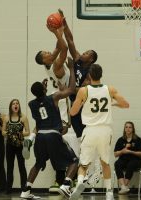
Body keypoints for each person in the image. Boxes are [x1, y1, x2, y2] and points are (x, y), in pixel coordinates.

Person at [20, 57, 78, 199]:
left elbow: (39, 94)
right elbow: (71, 90)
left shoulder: (31, 104)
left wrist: (42, 88)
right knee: (74, 161)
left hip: (40, 136)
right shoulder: (53, 97)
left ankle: (26, 191)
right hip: (53, 134)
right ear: (45, 89)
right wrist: (71, 68)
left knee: (38, 163)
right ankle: (65, 185)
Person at [70, 64, 129, 200]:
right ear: (101, 75)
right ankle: (109, 192)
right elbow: (126, 104)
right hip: (105, 130)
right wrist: (112, 103)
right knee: (105, 162)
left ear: (89, 75)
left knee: (84, 164)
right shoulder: (110, 89)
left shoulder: (84, 91)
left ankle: (79, 183)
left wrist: (83, 104)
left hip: (90, 130)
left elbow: (73, 112)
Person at [59, 9, 98, 139]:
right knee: (79, 137)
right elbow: (70, 40)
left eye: (87, 53)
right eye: (85, 51)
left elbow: (80, 91)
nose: (83, 53)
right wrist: (64, 25)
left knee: (86, 136)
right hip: (74, 104)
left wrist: (67, 89)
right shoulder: (77, 60)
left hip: (84, 106)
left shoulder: (90, 72)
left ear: (91, 59)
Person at [2, 99, 30, 194]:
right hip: (9, 145)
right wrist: (10, 133)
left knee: (21, 166)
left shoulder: (23, 118)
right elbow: (3, 132)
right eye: (13, 103)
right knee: (10, 167)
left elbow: (28, 132)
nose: (15, 105)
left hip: (20, 145)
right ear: (11, 106)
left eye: (17, 103)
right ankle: (8, 188)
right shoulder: (6, 118)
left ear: (19, 106)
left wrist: (21, 133)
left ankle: (24, 188)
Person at [114, 121, 141, 194]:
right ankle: (123, 187)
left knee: (131, 164)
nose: (128, 129)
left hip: (135, 160)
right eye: (126, 127)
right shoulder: (120, 140)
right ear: (124, 129)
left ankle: (124, 186)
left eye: (130, 127)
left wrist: (131, 152)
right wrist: (122, 151)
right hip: (123, 159)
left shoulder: (137, 139)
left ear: (133, 129)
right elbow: (115, 154)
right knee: (117, 163)